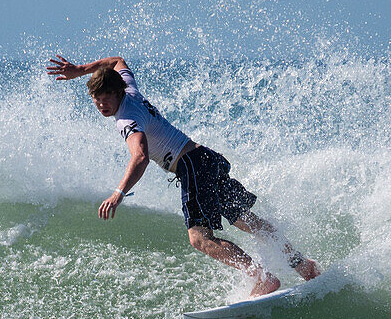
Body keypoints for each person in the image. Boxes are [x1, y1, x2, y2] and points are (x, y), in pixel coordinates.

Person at [47, 54, 320, 297]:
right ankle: (302, 265)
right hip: (205, 157)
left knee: (199, 238)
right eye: (96, 101)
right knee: (245, 220)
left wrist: (118, 193)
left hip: (190, 165)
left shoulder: (126, 118)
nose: (102, 106)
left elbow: (140, 156)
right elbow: (117, 61)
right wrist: (81, 69)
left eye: (106, 100)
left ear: (117, 93)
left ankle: (263, 278)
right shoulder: (130, 90)